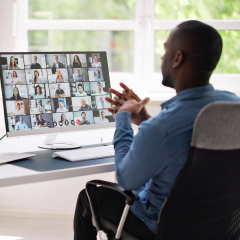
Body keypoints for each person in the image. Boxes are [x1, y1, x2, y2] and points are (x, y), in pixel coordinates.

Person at [73, 20, 240, 240]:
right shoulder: (232, 106)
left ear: (178, 58)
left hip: (161, 228)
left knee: (88, 197)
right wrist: (144, 120)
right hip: (220, 228)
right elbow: (186, 142)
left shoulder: (162, 128)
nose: (162, 57)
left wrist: (122, 116)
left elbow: (126, 179)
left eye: (165, 49)